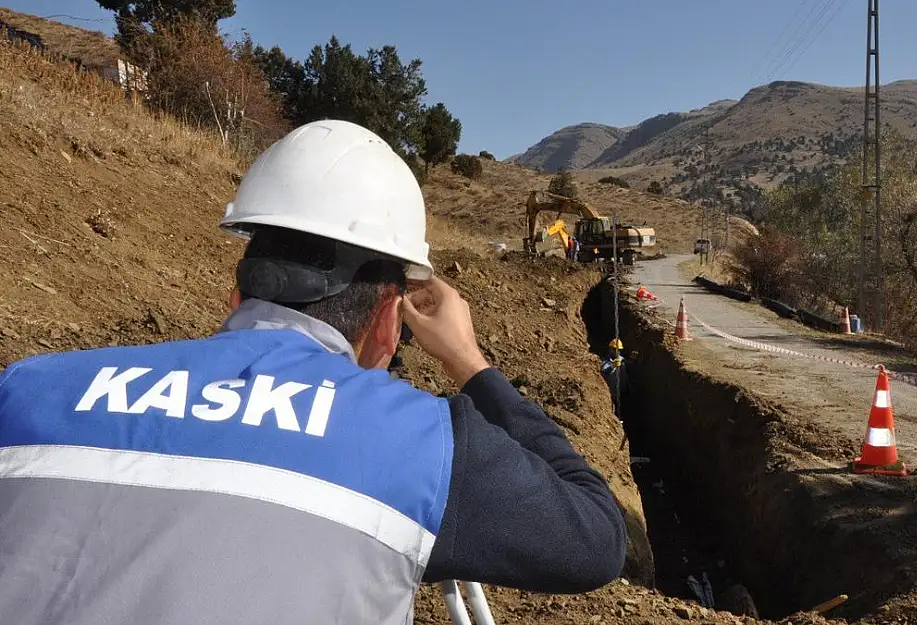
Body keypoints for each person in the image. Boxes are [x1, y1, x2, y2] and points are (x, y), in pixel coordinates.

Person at [0, 120, 626, 625]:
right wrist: (469, 360)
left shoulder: (27, 388)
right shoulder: (422, 449)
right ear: (389, 315)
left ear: (239, 291)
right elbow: (596, 535)